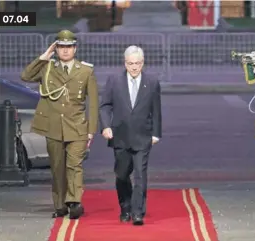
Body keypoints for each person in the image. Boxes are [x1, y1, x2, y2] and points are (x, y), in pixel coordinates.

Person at [20, 30, 99, 219]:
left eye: (69, 47)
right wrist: (43, 57)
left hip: (77, 126)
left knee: (75, 165)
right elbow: (25, 76)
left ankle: (74, 202)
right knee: (57, 167)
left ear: (75, 48)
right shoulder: (47, 68)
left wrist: (91, 130)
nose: (65, 51)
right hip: (53, 126)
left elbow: (93, 102)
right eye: (61, 47)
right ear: (56, 49)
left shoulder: (86, 70)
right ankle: (60, 205)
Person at [99, 45, 162, 226]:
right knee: (122, 175)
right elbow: (105, 106)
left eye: (138, 63)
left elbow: (156, 109)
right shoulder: (114, 80)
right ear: (125, 63)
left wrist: (156, 133)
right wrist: (105, 126)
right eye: (130, 63)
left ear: (143, 63)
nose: (134, 67)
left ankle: (137, 212)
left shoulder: (151, 81)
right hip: (120, 135)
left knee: (141, 175)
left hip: (143, 136)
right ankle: (125, 208)